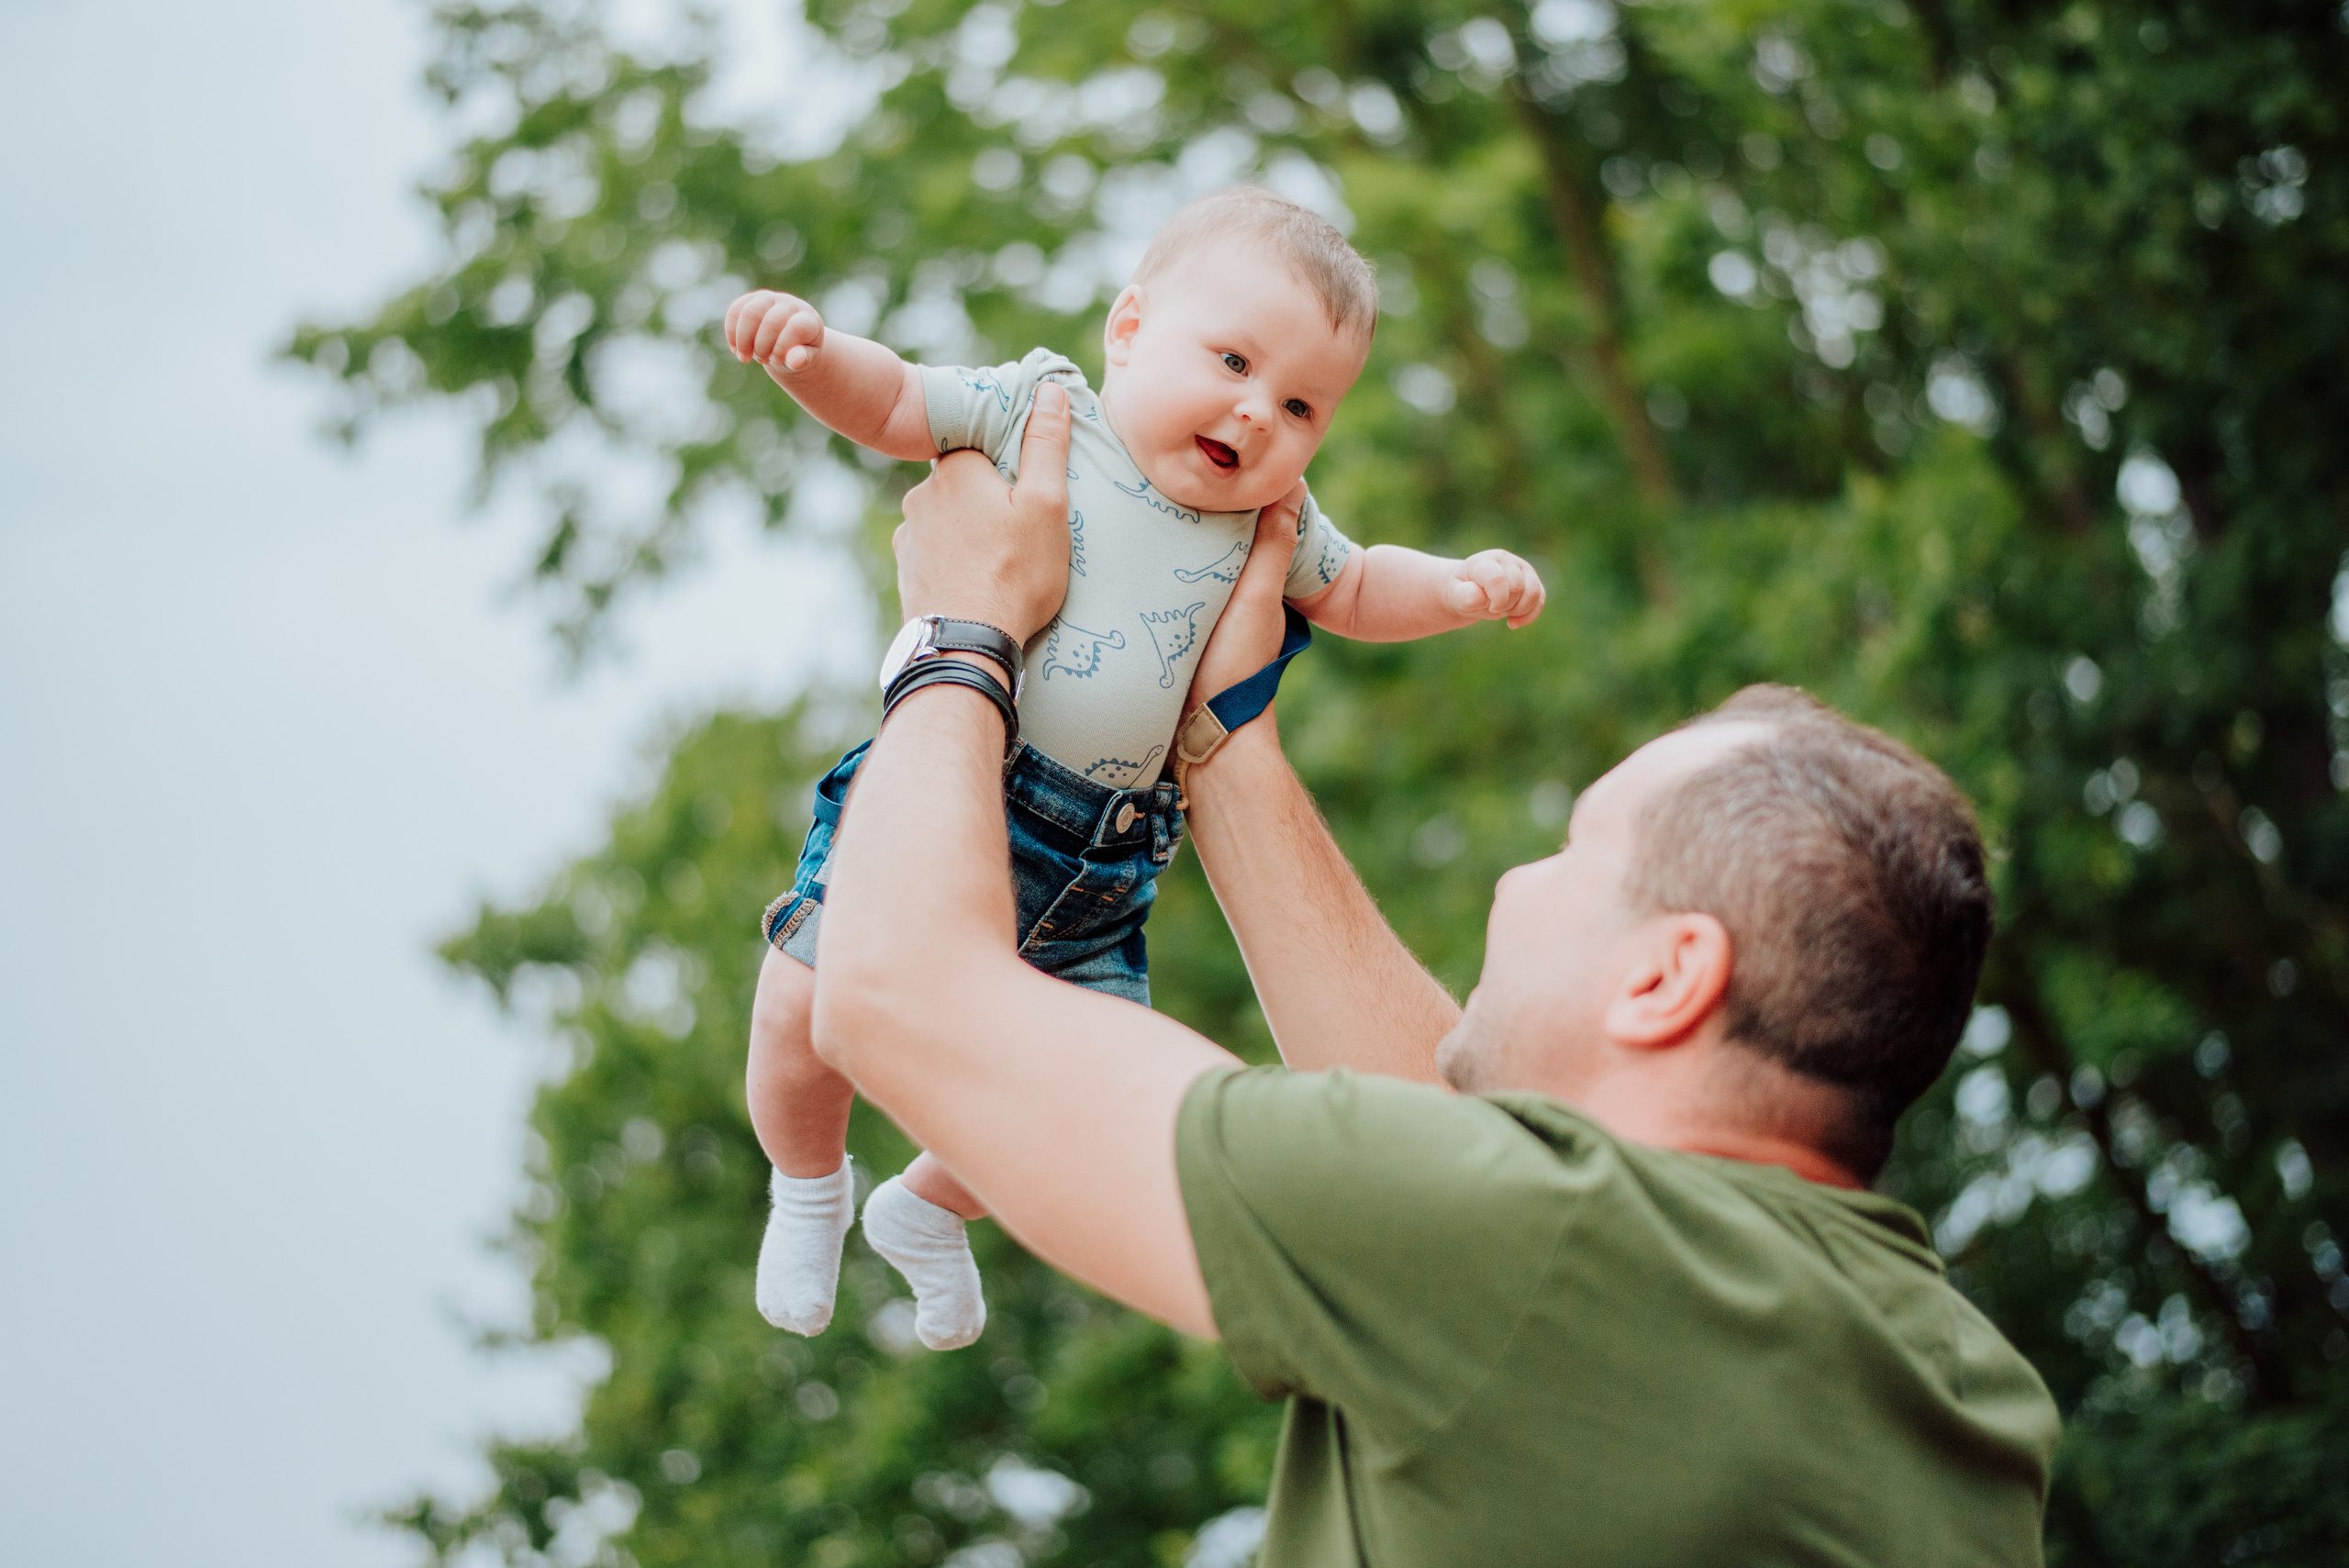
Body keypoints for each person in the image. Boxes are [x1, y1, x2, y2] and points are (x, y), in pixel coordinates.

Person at [804, 413, 2064, 1564]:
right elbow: (1482, 1160)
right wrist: (1223, 743)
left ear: (1667, 976)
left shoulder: (1529, 1257)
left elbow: (898, 995)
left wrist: (962, 634)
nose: (1521, 879)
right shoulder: (1963, 1387)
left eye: (1576, 852)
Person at [722, 184, 1546, 1350]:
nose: (1258, 413)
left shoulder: (1275, 519)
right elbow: (900, 398)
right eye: (1232, 360)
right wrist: (808, 356)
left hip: (1102, 857)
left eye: (1302, 404)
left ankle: (928, 1209)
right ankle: (808, 1188)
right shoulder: (1044, 406)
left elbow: (1358, 588)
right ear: (1127, 329)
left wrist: (1459, 586)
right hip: (968, 785)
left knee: (1061, 1088)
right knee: (804, 998)